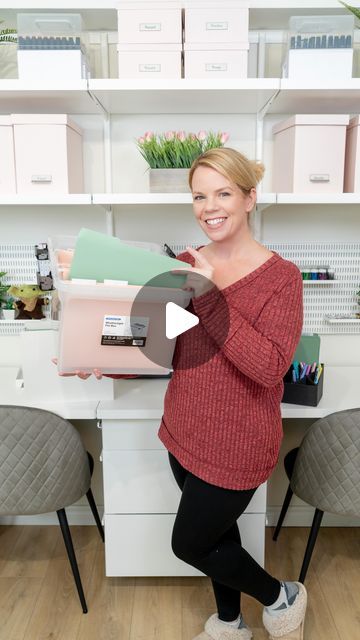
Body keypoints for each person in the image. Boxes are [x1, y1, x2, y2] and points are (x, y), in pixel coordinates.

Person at [56, 147, 306, 640]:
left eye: (223, 193)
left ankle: (282, 597)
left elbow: (269, 367)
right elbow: (162, 346)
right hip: (184, 430)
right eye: (198, 195)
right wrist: (99, 360)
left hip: (239, 442)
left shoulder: (282, 279)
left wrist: (210, 297)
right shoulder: (185, 263)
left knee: (189, 542)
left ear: (250, 198)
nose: (209, 206)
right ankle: (231, 624)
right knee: (218, 535)